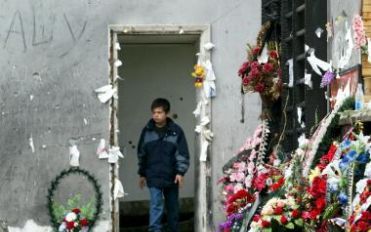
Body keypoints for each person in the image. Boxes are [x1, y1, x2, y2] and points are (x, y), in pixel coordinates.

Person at [137, 98, 190, 232]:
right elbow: (141, 153)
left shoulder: (176, 131)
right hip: (153, 175)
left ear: (167, 113)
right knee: (156, 205)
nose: (156, 115)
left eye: (159, 112)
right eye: (154, 112)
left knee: (173, 207)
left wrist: (180, 172)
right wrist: (142, 174)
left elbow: (182, 154)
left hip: (171, 176)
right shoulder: (147, 131)